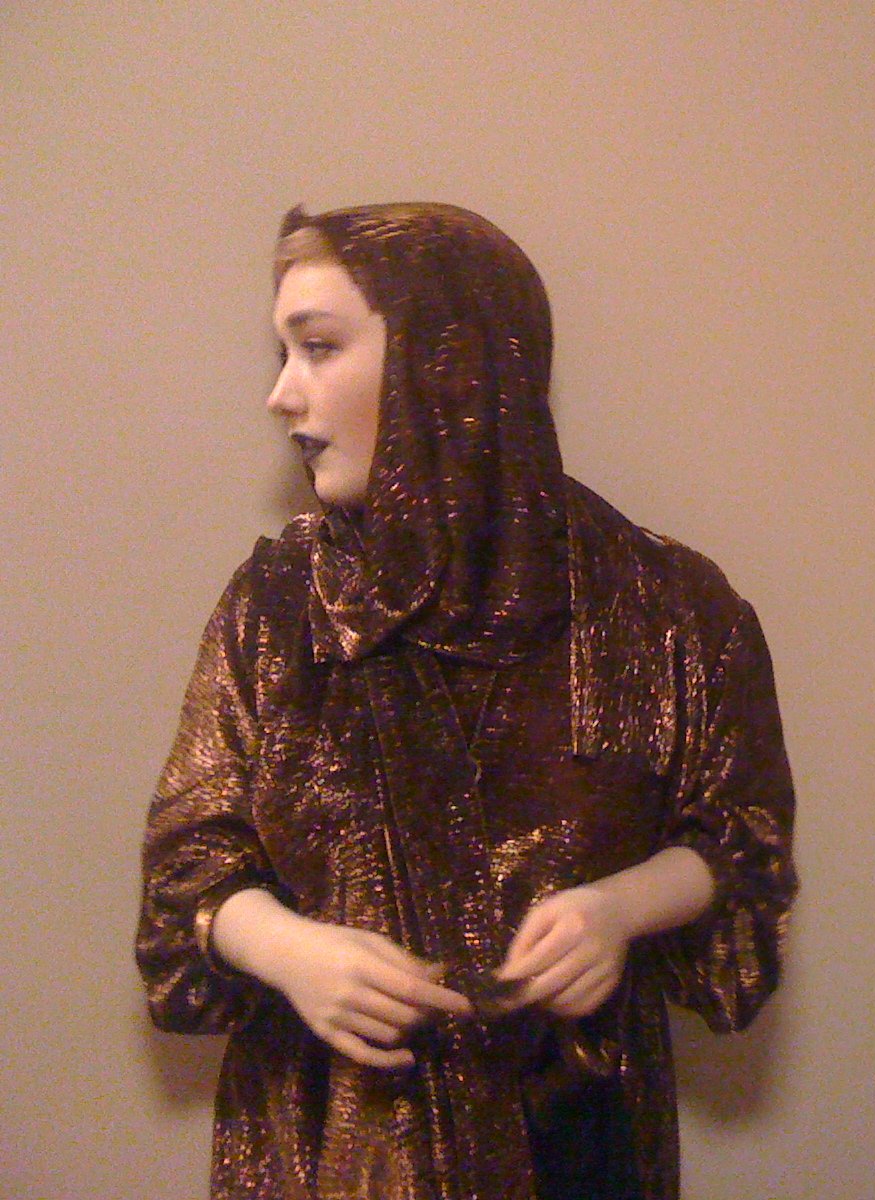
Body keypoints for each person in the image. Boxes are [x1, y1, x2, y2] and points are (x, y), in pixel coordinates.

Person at [136, 202, 798, 1200]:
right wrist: (291, 950)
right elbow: (187, 873)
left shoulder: (662, 608)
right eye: (283, 352)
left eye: (319, 346)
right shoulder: (277, 608)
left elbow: (745, 842)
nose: (281, 394)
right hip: (330, 1148)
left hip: (577, 1150)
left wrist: (620, 909)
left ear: (449, 364)